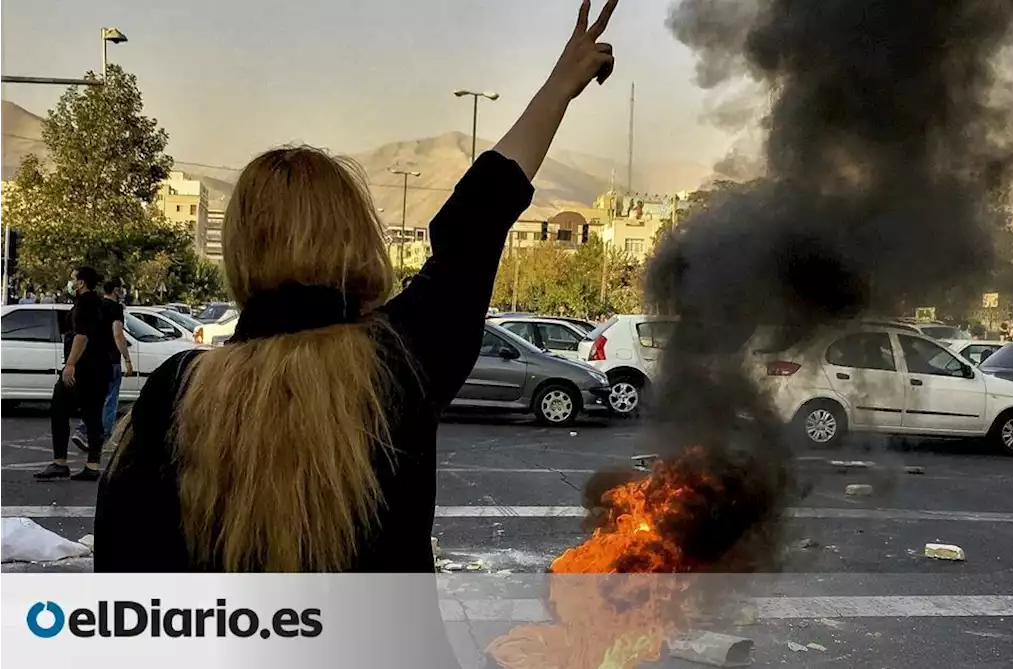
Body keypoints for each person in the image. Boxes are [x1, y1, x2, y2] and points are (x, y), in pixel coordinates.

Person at [93, 0, 618, 575]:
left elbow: (127, 580)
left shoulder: (176, 394)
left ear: (241, 248)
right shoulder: (400, 361)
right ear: (356, 235)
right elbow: (476, 220)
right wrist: (560, 85)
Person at [34, 267, 115, 481]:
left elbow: (82, 336)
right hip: (100, 368)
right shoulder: (100, 303)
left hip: (84, 368)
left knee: (59, 406)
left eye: (72, 279)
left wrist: (70, 364)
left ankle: (60, 462)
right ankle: (92, 465)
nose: (70, 282)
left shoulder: (85, 304)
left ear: (80, 283)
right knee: (93, 415)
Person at [71, 280, 133, 454]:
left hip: (93, 358)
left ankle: (84, 431)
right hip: (110, 360)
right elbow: (117, 334)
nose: (122, 292)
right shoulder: (115, 309)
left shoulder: (96, 305)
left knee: (95, 399)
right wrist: (127, 359)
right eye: (120, 289)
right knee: (110, 400)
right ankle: (99, 437)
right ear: (114, 291)